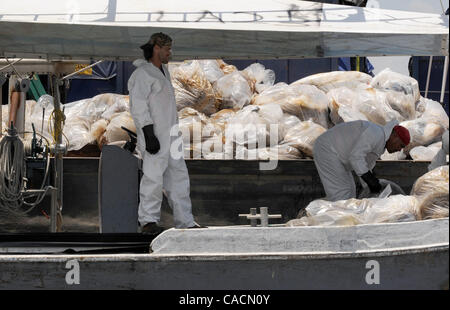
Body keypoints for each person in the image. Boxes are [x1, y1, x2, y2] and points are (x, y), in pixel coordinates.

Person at [128, 32, 203, 234]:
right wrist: (148, 132)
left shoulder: (163, 71)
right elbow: (138, 106)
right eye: (167, 49)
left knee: (179, 177)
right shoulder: (142, 74)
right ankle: (148, 221)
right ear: (156, 49)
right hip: (155, 135)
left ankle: (185, 221)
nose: (170, 53)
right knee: (153, 177)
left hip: (171, 135)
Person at [313, 120, 410, 201]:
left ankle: (318, 213)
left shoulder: (381, 143)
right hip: (327, 150)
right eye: (401, 145)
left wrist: (370, 185)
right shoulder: (376, 133)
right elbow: (356, 157)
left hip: (336, 154)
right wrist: (369, 179)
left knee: (350, 192)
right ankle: (316, 215)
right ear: (394, 136)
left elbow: (365, 166)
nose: (399, 150)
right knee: (342, 194)